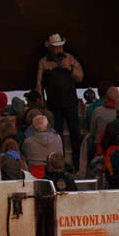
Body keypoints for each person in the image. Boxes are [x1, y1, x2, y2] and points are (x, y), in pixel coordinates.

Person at [35, 33, 85, 165]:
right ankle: (60, 163)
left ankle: (76, 163)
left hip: (71, 104)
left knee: (75, 134)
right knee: (57, 136)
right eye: (56, 47)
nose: (58, 50)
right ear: (50, 48)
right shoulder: (44, 63)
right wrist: (41, 104)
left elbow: (80, 77)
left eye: (60, 47)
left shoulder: (69, 58)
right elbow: (39, 84)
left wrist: (69, 67)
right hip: (54, 106)